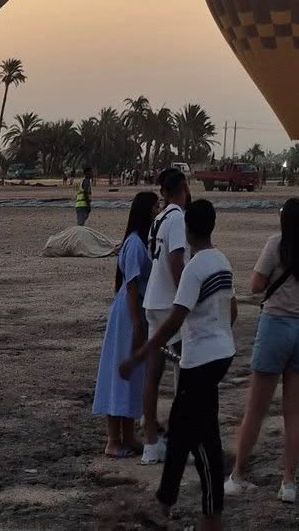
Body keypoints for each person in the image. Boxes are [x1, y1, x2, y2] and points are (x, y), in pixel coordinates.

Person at [123, 199, 237, 531]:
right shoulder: (222, 261)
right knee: (190, 432)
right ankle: (177, 508)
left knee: (200, 440)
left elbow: (174, 320)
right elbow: (230, 311)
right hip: (220, 354)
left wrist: (142, 353)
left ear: (187, 231)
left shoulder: (194, 268)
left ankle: (187, 511)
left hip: (200, 360)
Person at [226, 197, 299, 504]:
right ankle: (288, 482)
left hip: (276, 326)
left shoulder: (276, 244)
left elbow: (256, 286)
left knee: (256, 409)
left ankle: (235, 475)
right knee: (294, 413)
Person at [93, 190, 157, 455]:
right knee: (119, 371)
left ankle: (128, 436)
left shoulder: (141, 242)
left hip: (136, 310)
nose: (157, 212)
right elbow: (131, 286)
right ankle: (113, 440)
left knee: (134, 375)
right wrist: (137, 322)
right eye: (154, 208)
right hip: (128, 314)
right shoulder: (133, 244)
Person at [141, 167, 191, 462]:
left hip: (153, 301)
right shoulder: (178, 220)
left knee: (153, 373)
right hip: (172, 305)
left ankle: (150, 442)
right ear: (182, 188)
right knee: (183, 374)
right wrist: (188, 297)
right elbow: (176, 262)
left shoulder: (157, 219)